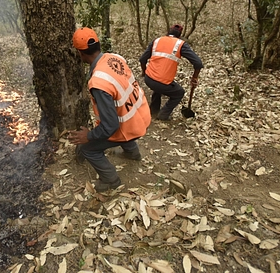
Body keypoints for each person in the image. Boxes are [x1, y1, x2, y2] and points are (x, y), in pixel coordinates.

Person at [68, 27, 152, 192]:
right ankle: (133, 153)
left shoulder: (98, 83)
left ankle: (110, 180)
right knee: (122, 123)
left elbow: (111, 125)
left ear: (80, 53)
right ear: (98, 44)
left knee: (88, 149)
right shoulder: (114, 57)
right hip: (140, 113)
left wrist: (89, 136)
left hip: (126, 125)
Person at [139, 24, 203, 120]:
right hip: (161, 82)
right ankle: (163, 115)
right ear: (180, 35)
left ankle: (154, 110)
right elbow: (198, 63)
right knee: (179, 93)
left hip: (149, 79)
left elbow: (142, 59)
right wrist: (195, 77)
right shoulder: (180, 44)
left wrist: (144, 73)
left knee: (158, 85)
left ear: (168, 32)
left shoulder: (157, 41)